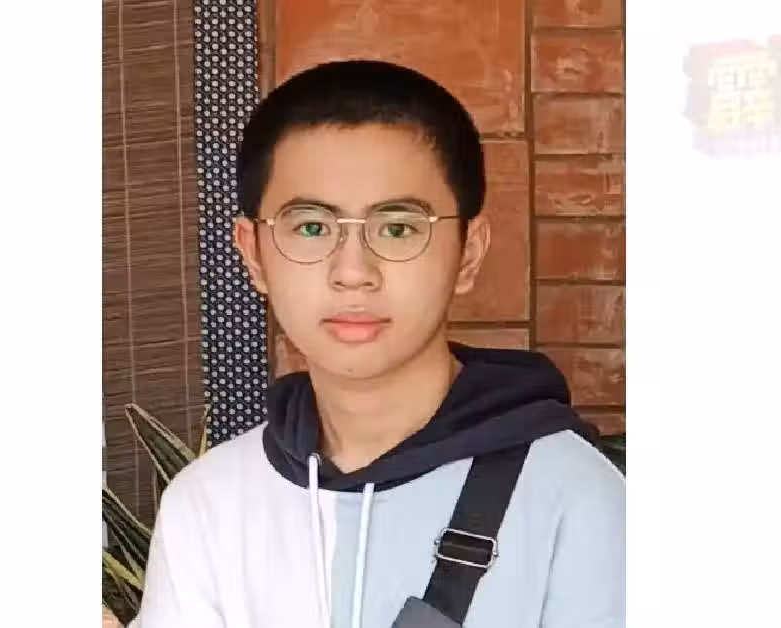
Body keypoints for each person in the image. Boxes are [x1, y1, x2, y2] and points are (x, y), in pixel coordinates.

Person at [131, 59, 625, 628]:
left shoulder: (574, 497)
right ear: (253, 254)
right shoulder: (209, 505)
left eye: (397, 228)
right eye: (312, 228)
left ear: (468, 252)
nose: (353, 272)